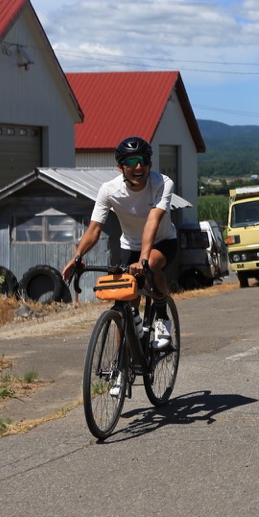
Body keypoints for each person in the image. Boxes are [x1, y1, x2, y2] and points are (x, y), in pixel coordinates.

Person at [62, 136, 177, 356]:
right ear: (120, 167)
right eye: (131, 162)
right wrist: (77, 256)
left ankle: (161, 316)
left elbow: (153, 221)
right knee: (125, 305)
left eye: (143, 160)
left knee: (151, 264)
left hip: (163, 241)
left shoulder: (162, 183)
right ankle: (122, 361)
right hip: (129, 246)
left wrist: (143, 259)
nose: (138, 167)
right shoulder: (109, 190)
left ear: (150, 163)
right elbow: (94, 229)